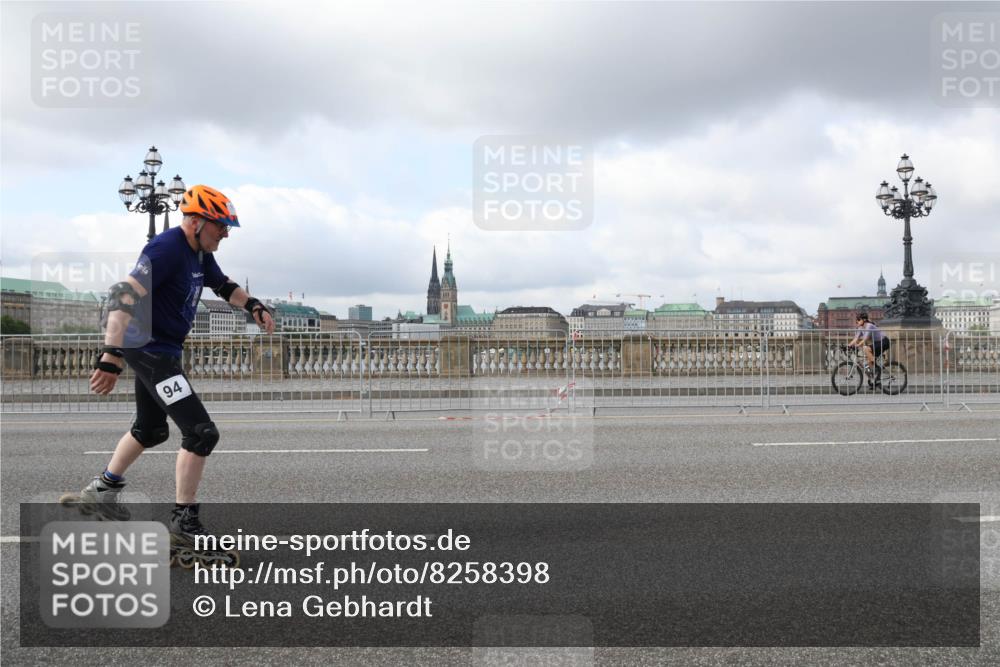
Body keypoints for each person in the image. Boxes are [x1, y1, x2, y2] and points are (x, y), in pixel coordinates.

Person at [67, 185, 275, 551]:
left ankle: (102, 490)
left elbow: (225, 286)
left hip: (163, 349)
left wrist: (254, 305)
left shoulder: (198, 253)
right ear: (196, 222)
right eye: (220, 226)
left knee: (150, 430)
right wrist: (111, 355)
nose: (226, 233)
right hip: (147, 349)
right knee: (201, 433)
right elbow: (122, 296)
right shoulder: (165, 249)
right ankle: (184, 525)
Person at [847, 312, 890, 386]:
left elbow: (865, 339)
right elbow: (856, 339)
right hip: (876, 343)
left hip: (884, 341)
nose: (857, 321)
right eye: (856, 320)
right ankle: (875, 380)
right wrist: (848, 345)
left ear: (864, 320)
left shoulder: (869, 326)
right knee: (869, 362)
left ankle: (877, 369)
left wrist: (857, 345)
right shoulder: (860, 328)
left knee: (866, 349)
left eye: (858, 320)